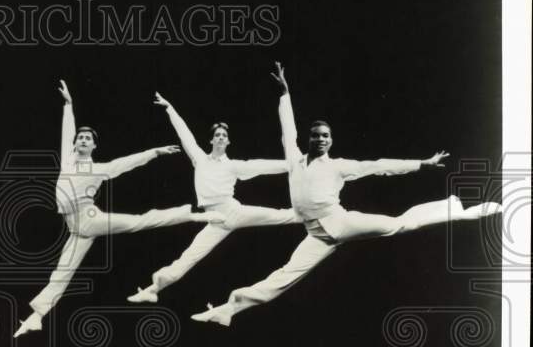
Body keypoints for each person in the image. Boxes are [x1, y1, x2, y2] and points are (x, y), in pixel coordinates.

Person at [193, 63, 502, 326]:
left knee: (401, 225)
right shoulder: (294, 160)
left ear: (331, 140)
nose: (320, 139)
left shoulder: (339, 166)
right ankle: (230, 308)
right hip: (316, 235)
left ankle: (458, 209)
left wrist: (420, 164)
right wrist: (285, 93)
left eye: (325, 136)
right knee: (283, 277)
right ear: (310, 139)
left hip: (339, 223)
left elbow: (377, 166)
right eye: (315, 135)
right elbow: (287, 128)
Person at [14, 80, 225, 337]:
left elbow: (123, 164)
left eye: (87, 139)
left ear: (93, 146)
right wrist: (69, 105)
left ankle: (192, 215)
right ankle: (37, 316)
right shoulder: (68, 159)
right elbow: (66, 133)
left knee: (140, 221)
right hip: (76, 228)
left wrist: (153, 152)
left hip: (89, 218)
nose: (82, 140)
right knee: (63, 272)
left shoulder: (98, 169)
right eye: (80, 137)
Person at [127, 92, 297, 304]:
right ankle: (152, 290)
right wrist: (169, 107)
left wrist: (290, 166)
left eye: (224, 135)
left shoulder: (232, 165)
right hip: (214, 220)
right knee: (189, 257)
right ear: (211, 139)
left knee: (282, 216)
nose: (220, 137)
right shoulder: (199, 159)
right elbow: (185, 134)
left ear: (228, 141)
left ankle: (317, 214)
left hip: (233, 211)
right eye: (217, 135)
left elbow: (260, 166)